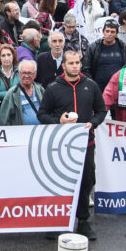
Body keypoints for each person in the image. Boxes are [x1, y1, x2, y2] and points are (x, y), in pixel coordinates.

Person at [38, 50, 107, 240]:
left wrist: (93, 122)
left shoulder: (91, 86)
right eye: (71, 63)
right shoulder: (53, 88)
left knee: (86, 182)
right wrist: (58, 121)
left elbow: (101, 111)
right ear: (64, 65)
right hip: (61, 145)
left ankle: (83, 222)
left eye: (78, 63)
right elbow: (42, 114)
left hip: (86, 143)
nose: (75, 66)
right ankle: (56, 222)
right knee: (60, 183)